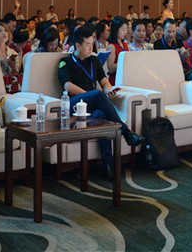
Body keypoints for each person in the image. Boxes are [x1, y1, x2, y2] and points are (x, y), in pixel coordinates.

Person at [57, 25, 143, 179]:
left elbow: (104, 81)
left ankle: (108, 166)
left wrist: (109, 90)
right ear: (78, 45)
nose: (91, 48)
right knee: (97, 94)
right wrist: (92, 96)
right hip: (74, 105)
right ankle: (126, 132)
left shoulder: (94, 61)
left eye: (92, 44)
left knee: (101, 115)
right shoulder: (65, 62)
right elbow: (68, 86)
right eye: (88, 44)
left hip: (92, 106)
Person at [105, 16, 131, 85]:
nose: (125, 32)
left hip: (125, 78)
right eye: (123, 30)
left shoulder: (125, 44)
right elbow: (110, 69)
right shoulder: (111, 46)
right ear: (116, 29)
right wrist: (123, 61)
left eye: (126, 30)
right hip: (115, 79)